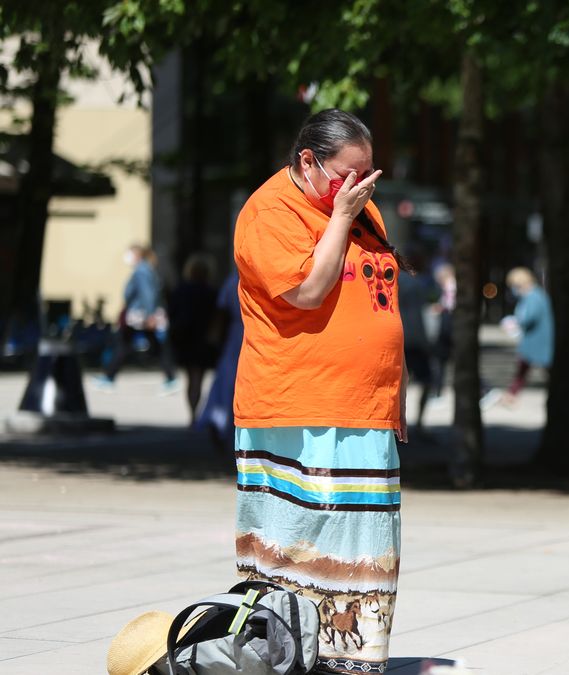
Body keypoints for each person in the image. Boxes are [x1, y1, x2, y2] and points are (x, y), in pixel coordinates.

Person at [231, 109, 405, 675]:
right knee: (298, 548)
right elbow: (306, 290)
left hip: (363, 409)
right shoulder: (270, 211)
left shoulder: (355, 204)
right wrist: (341, 217)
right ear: (308, 161)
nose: (360, 186)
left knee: (362, 547)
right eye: (347, 175)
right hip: (298, 405)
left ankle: (353, 662)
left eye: (368, 174)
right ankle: (287, 658)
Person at [93, 245, 178, 392]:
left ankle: (109, 377)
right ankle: (109, 376)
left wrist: (150, 315)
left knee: (127, 343)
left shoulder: (141, 271)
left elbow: (147, 294)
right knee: (148, 344)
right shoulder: (145, 269)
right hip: (143, 315)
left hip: (141, 316)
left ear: (137, 255)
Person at [194, 270, 242, 450]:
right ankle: (221, 423)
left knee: (226, 383)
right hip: (249, 333)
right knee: (232, 383)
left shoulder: (232, 280)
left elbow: (221, 312)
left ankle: (219, 423)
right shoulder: (246, 278)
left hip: (236, 336)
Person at [168, 254, 218, 424]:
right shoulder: (211, 292)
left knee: (191, 378)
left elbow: (172, 312)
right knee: (198, 379)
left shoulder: (181, 290)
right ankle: (194, 413)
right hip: (203, 340)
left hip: (187, 339)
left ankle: (192, 413)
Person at [498, 267, 554, 407]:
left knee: (532, 367)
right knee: (524, 368)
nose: (513, 289)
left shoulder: (534, 296)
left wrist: (513, 323)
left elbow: (529, 317)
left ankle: (511, 395)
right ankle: (511, 395)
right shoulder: (532, 295)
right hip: (534, 340)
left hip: (537, 340)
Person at [397, 258, 434, 431]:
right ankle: (419, 422)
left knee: (397, 384)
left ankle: (396, 423)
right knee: (426, 380)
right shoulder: (419, 283)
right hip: (417, 338)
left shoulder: (395, 280)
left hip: (400, 337)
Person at [429, 262, 456, 401]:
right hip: (448, 328)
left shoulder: (450, 286)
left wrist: (441, 308)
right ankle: (438, 391)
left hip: (448, 329)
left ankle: (438, 392)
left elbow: (450, 305)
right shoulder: (449, 286)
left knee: (442, 360)